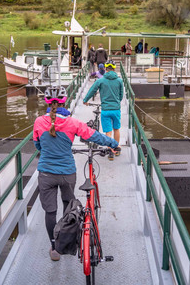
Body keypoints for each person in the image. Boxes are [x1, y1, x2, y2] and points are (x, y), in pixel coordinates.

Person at [33, 86, 118, 261]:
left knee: (50, 212)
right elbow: (94, 135)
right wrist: (112, 143)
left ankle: (55, 248)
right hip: (67, 173)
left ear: (47, 103)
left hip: (46, 174)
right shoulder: (72, 123)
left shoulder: (39, 122)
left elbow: (37, 145)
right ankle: (66, 240)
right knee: (67, 205)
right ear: (64, 101)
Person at [83, 59, 123, 161]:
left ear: (105, 69)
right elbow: (121, 95)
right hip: (116, 109)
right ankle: (117, 149)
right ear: (114, 69)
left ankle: (110, 152)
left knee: (108, 132)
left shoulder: (101, 80)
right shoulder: (119, 81)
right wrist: (116, 102)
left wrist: (85, 100)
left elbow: (92, 90)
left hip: (105, 109)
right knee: (116, 129)